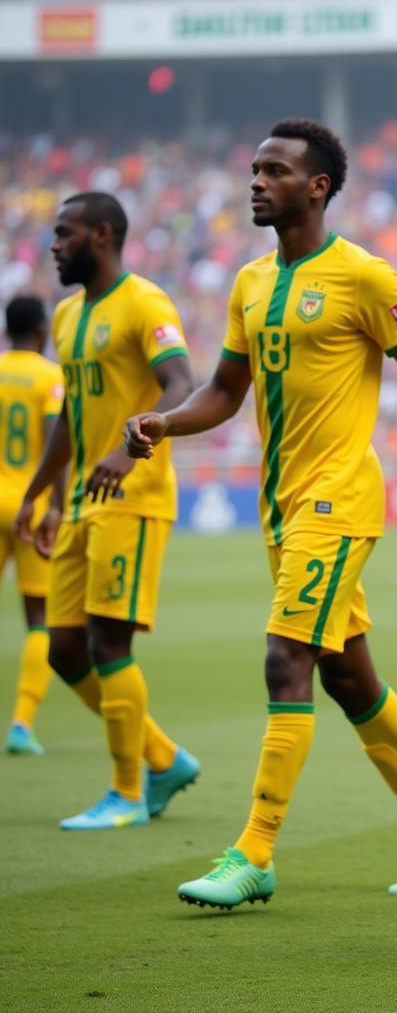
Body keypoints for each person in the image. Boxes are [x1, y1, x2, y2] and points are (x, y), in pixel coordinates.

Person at [124, 118, 397, 910]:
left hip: (340, 498)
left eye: (274, 170)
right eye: (253, 169)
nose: (256, 181)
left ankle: (253, 854)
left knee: (284, 660)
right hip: (280, 506)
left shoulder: (362, 275)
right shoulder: (251, 282)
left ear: (317, 186)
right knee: (350, 677)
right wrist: (163, 422)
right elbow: (223, 391)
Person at [15, 192, 201, 828]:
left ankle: (127, 792)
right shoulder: (66, 317)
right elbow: (69, 416)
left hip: (133, 497)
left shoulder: (144, 302)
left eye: (64, 233)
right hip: (78, 502)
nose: (54, 245)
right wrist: (40, 491)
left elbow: (181, 382)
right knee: (66, 650)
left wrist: (137, 445)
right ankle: (163, 756)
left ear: (101, 235)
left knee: (107, 642)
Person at [2, 297, 63, 755]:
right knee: (39, 618)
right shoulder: (48, 376)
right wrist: (57, 504)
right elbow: (53, 445)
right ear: (42, 329)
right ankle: (22, 722)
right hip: (30, 506)